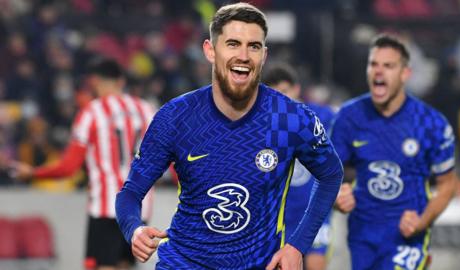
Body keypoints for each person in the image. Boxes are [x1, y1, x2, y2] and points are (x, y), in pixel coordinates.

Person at [115, 3, 343, 270]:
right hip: (183, 264)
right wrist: (134, 229)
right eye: (233, 44)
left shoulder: (290, 118)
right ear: (210, 51)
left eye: (254, 46)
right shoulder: (176, 117)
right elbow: (130, 192)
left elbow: (331, 174)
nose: (244, 55)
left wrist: (297, 245)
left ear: (264, 55)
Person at [10, 57, 155, 270]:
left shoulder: (92, 112)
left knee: (103, 266)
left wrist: (33, 173)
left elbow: (69, 167)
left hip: (106, 206)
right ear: (121, 81)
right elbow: (171, 157)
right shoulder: (146, 110)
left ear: (95, 81)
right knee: (125, 266)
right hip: (139, 208)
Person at [331, 34, 458, 270]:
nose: (378, 72)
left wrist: (422, 222)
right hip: (363, 233)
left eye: (388, 66)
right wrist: (337, 195)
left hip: (407, 234)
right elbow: (327, 173)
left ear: (405, 74)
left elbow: (447, 185)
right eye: (373, 64)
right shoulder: (349, 116)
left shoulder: (431, 124)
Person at [263, 63, 335, 270]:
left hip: (314, 214)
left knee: (315, 264)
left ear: (296, 89)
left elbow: (349, 131)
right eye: (275, 95)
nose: (281, 101)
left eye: (285, 93)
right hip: (280, 220)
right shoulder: (264, 125)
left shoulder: (320, 116)